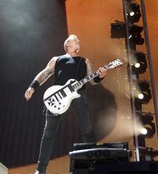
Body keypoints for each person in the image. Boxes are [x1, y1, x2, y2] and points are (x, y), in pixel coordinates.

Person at [24, 34, 107, 174]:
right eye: (75, 40)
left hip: (77, 94)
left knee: (86, 128)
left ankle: (95, 164)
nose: (78, 41)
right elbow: (45, 73)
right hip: (57, 97)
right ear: (68, 44)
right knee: (48, 132)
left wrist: (101, 75)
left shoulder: (84, 61)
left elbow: (92, 79)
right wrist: (32, 86)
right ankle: (40, 170)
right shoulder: (57, 60)